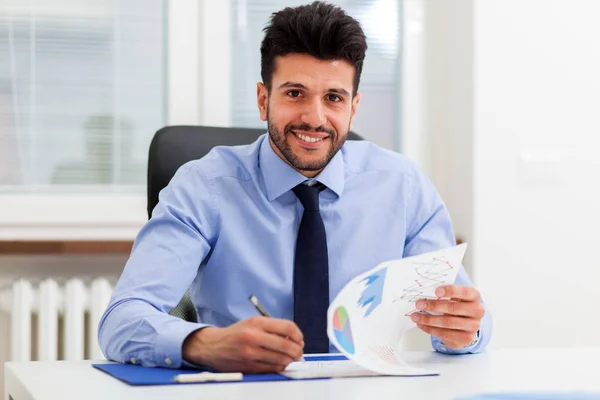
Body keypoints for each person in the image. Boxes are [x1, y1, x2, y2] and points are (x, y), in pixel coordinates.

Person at [98, 1, 492, 374]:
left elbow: (466, 319)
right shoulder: (204, 187)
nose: (313, 117)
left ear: (353, 107)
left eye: (333, 97)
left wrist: (464, 330)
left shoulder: (402, 186)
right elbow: (122, 319)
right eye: (294, 93)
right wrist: (206, 344)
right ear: (262, 98)